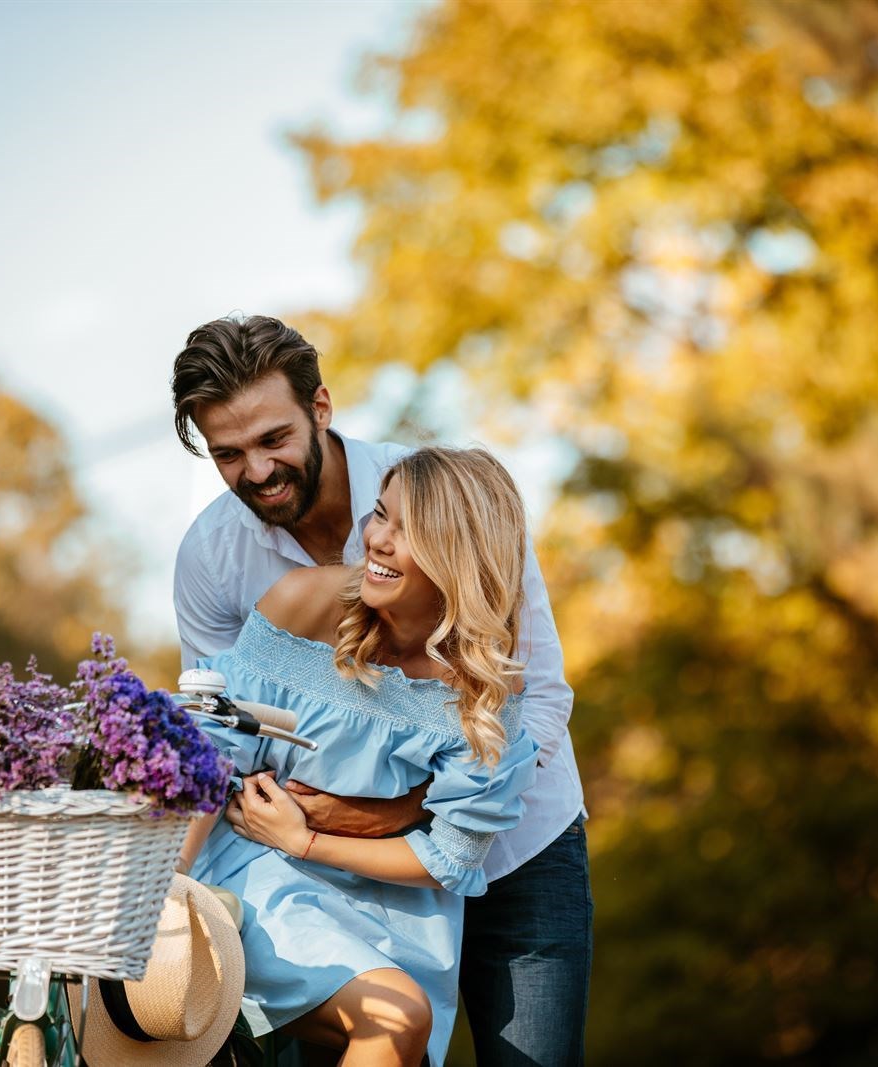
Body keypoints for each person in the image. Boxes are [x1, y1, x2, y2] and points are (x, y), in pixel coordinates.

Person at [170, 315, 592, 1065]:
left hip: (515, 848)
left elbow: (540, 701)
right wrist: (164, 885)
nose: (257, 471)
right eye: (228, 453)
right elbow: (216, 735)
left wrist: (403, 814)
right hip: (315, 877)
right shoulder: (215, 556)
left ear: (320, 407)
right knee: (379, 1030)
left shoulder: (447, 498)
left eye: (274, 439)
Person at [186, 447, 538, 1066]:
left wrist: (307, 840)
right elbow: (208, 751)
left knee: (402, 1023)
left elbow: (449, 856)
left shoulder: (483, 686)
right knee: (397, 1017)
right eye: (380, 514)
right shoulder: (303, 602)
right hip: (259, 866)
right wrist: (167, 887)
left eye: (408, 530)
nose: (377, 539)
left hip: (391, 903)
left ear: (460, 555)